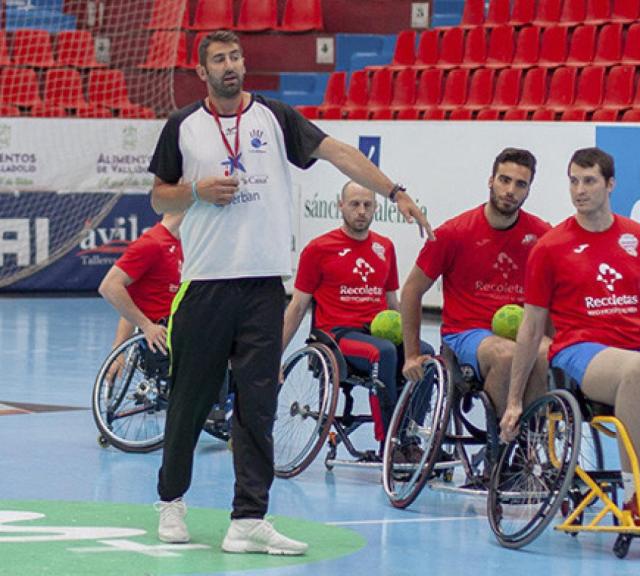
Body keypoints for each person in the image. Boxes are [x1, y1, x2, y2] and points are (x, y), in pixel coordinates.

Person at [147, 30, 431, 555]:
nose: (230, 65)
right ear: (202, 70)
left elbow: (340, 152)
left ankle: (248, 519)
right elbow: (157, 193)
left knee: (258, 405)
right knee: (188, 401)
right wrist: (195, 191)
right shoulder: (183, 126)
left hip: (262, 287)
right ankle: (171, 500)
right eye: (219, 59)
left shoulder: (275, 119)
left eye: (235, 56)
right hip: (205, 285)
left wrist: (395, 192)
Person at [501, 147, 640, 528]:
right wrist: (516, 399)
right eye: (573, 181)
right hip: (579, 353)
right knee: (639, 369)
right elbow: (531, 327)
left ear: (610, 184)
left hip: (637, 350)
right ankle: (638, 495)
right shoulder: (550, 247)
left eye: (589, 181)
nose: (579, 190)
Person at [401, 147, 551, 443]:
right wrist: (411, 355)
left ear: (529, 190)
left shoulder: (542, 235)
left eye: (520, 184)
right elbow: (411, 291)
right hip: (466, 334)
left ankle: (528, 448)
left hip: (523, 330)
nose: (510, 191)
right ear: (490, 181)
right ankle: (500, 449)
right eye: (504, 180)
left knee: (546, 352)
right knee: (507, 355)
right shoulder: (453, 233)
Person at [282, 181, 433, 461]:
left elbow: (392, 302)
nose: (361, 211)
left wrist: (410, 340)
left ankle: (409, 437)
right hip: (337, 337)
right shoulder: (318, 249)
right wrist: (274, 356)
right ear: (341, 206)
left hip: (376, 330)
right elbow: (298, 305)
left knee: (425, 354)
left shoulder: (384, 247)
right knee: (384, 353)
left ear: (376, 208)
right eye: (354, 204)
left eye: (367, 205)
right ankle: (387, 443)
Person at [98, 211, 183, 361]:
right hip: (164, 339)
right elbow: (109, 286)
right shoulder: (153, 243)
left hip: (180, 329)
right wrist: (146, 326)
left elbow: (138, 298)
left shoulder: (182, 244)